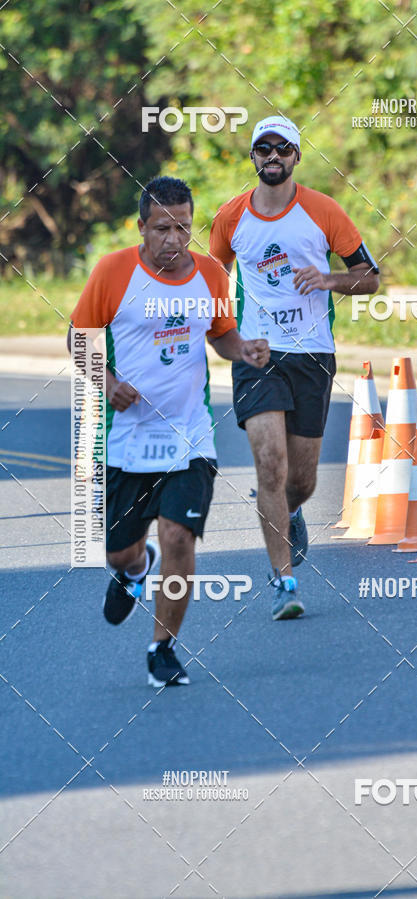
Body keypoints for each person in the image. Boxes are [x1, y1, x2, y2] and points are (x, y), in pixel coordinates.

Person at [68, 176, 269, 686]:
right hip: (127, 441)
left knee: (179, 537)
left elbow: (221, 335)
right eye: (162, 228)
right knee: (119, 551)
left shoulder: (209, 274)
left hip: (189, 436)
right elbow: (78, 339)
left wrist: (241, 349)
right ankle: (135, 570)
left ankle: (163, 647)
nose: (174, 239)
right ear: (141, 228)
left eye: (183, 227)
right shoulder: (113, 272)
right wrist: (107, 381)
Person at [209, 116, 380, 621]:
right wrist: (229, 341)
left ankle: (294, 510)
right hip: (257, 357)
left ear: (297, 157)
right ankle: (284, 580)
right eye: (264, 149)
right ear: (253, 157)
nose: (273, 157)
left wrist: (328, 278)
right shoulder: (230, 218)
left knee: (299, 482)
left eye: (283, 149)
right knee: (270, 466)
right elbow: (212, 282)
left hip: (312, 356)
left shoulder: (324, 211)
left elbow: (369, 278)